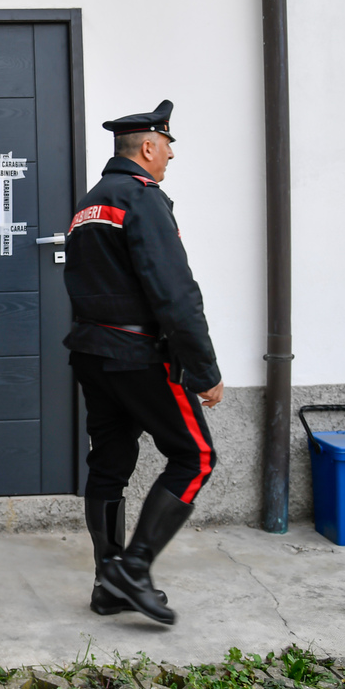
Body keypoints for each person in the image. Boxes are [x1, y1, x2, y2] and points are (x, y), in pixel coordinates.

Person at [62, 100, 223, 626]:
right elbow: (175, 293)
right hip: (137, 355)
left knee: (108, 465)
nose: (171, 156)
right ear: (148, 147)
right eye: (168, 146)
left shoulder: (89, 204)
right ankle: (134, 568)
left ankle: (108, 583)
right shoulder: (142, 199)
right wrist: (203, 369)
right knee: (195, 458)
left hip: (92, 353)